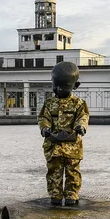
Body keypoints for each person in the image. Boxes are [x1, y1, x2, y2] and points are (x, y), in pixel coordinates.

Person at [38, 61, 90, 206]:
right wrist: (45, 128)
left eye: (64, 86)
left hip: (72, 146)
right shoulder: (49, 103)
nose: (59, 89)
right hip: (53, 146)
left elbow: (83, 117)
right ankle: (55, 194)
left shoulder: (79, 104)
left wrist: (81, 127)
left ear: (75, 86)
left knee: (73, 172)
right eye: (56, 86)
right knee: (54, 172)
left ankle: (71, 195)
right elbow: (43, 118)